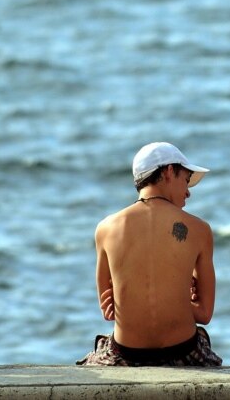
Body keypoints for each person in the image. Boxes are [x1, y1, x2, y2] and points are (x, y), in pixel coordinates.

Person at [77, 142, 222, 366]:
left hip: (125, 355)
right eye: (185, 179)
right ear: (168, 172)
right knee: (201, 336)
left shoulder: (105, 228)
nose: (188, 192)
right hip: (182, 353)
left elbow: (108, 311)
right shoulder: (199, 229)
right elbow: (204, 313)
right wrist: (178, 300)